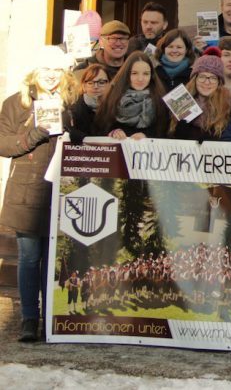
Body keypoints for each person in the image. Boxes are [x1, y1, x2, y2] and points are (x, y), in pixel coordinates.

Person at [0, 46, 76, 341]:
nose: (51, 76)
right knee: (30, 258)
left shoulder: (71, 102)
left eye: (56, 71)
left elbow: (84, 135)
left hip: (60, 190)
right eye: (46, 70)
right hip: (27, 194)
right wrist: (35, 133)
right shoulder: (15, 104)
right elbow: (4, 145)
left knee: (53, 259)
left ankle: (50, 319)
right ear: (35, 72)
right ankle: (30, 318)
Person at [94, 51, 169, 139]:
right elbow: (100, 128)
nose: (140, 79)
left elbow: (164, 131)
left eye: (146, 74)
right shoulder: (112, 96)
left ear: (151, 75)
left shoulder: (160, 98)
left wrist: (147, 136)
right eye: (134, 73)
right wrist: (113, 132)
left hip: (149, 151)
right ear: (126, 74)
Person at [170, 52, 231, 141]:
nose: (207, 82)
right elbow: (170, 139)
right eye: (202, 77)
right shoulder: (181, 100)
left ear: (219, 82)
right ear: (195, 79)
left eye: (213, 78)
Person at [69, 63, 110, 143]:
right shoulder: (74, 112)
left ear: (109, 84)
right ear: (84, 86)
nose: (96, 86)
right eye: (90, 83)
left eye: (101, 82)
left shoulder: (118, 109)